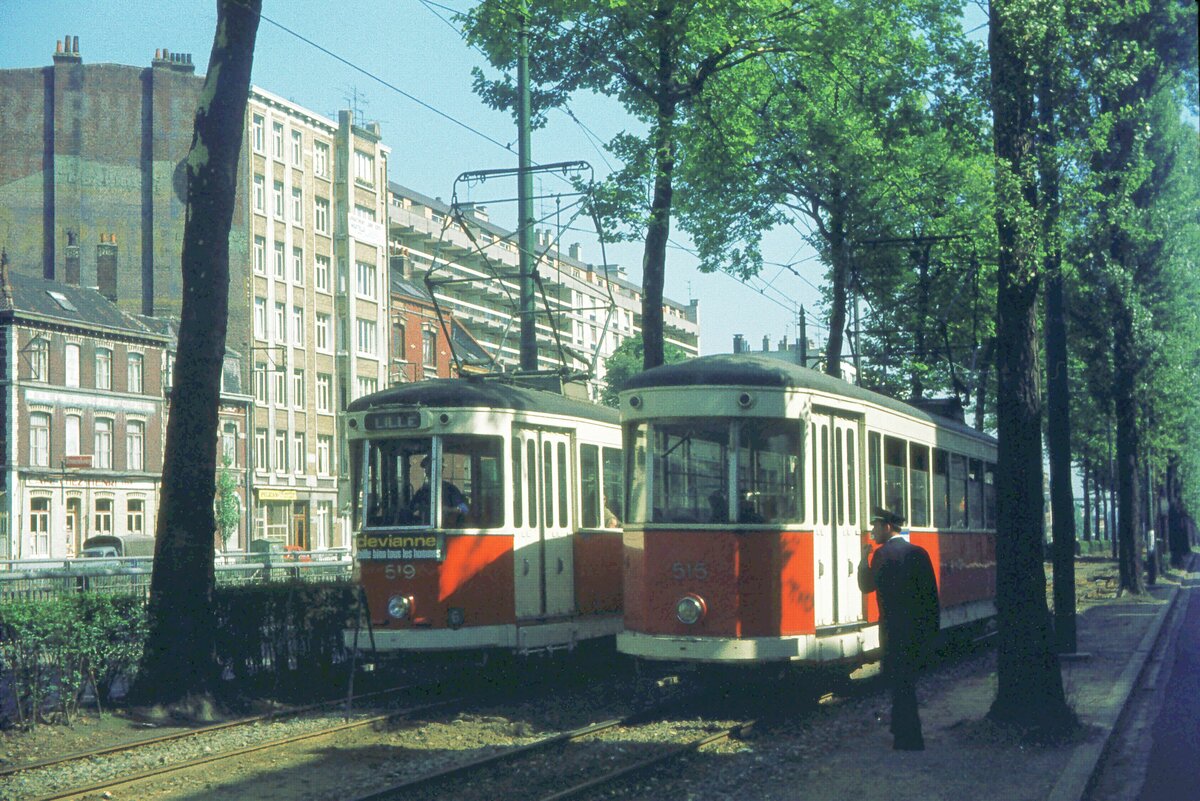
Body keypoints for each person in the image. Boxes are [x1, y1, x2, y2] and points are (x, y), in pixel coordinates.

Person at [858, 505, 940, 751]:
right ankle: (899, 728)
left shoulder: (882, 555)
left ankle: (909, 738)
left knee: (900, 683)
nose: (873, 531)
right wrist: (931, 631)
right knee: (906, 682)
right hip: (916, 629)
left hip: (893, 630)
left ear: (887, 527)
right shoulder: (919, 553)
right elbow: (931, 597)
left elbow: (867, 586)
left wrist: (864, 559)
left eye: (875, 527)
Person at [410, 455, 469, 525]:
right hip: (424, 529)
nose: (427, 470)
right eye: (427, 468)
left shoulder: (450, 489)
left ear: (441, 469)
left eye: (432, 468)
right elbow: (411, 508)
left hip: (446, 529)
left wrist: (448, 510)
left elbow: (464, 509)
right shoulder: (422, 491)